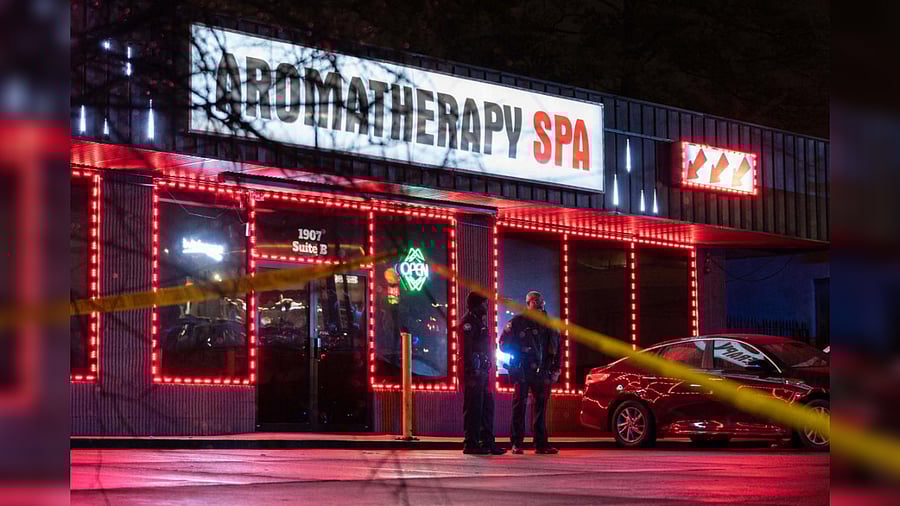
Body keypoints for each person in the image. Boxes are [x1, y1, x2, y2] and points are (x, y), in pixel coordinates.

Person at [500, 291, 561, 455]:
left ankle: (541, 444)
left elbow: (558, 348)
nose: (539, 304)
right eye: (535, 301)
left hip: (543, 372)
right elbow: (503, 344)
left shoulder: (551, 325)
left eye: (540, 301)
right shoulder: (518, 322)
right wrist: (522, 350)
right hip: (522, 370)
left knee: (540, 408)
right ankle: (516, 443)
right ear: (528, 303)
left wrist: (556, 369)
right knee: (519, 406)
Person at [461, 291, 506, 455]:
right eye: (484, 304)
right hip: (474, 373)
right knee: (473, 408)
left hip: (483, 372)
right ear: (476, 304)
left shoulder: (479, 322)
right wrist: (471, 370)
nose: (486, 307)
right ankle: (471, 443)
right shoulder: (468, 323)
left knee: (487, 407)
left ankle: (487, 442)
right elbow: (466, 350)